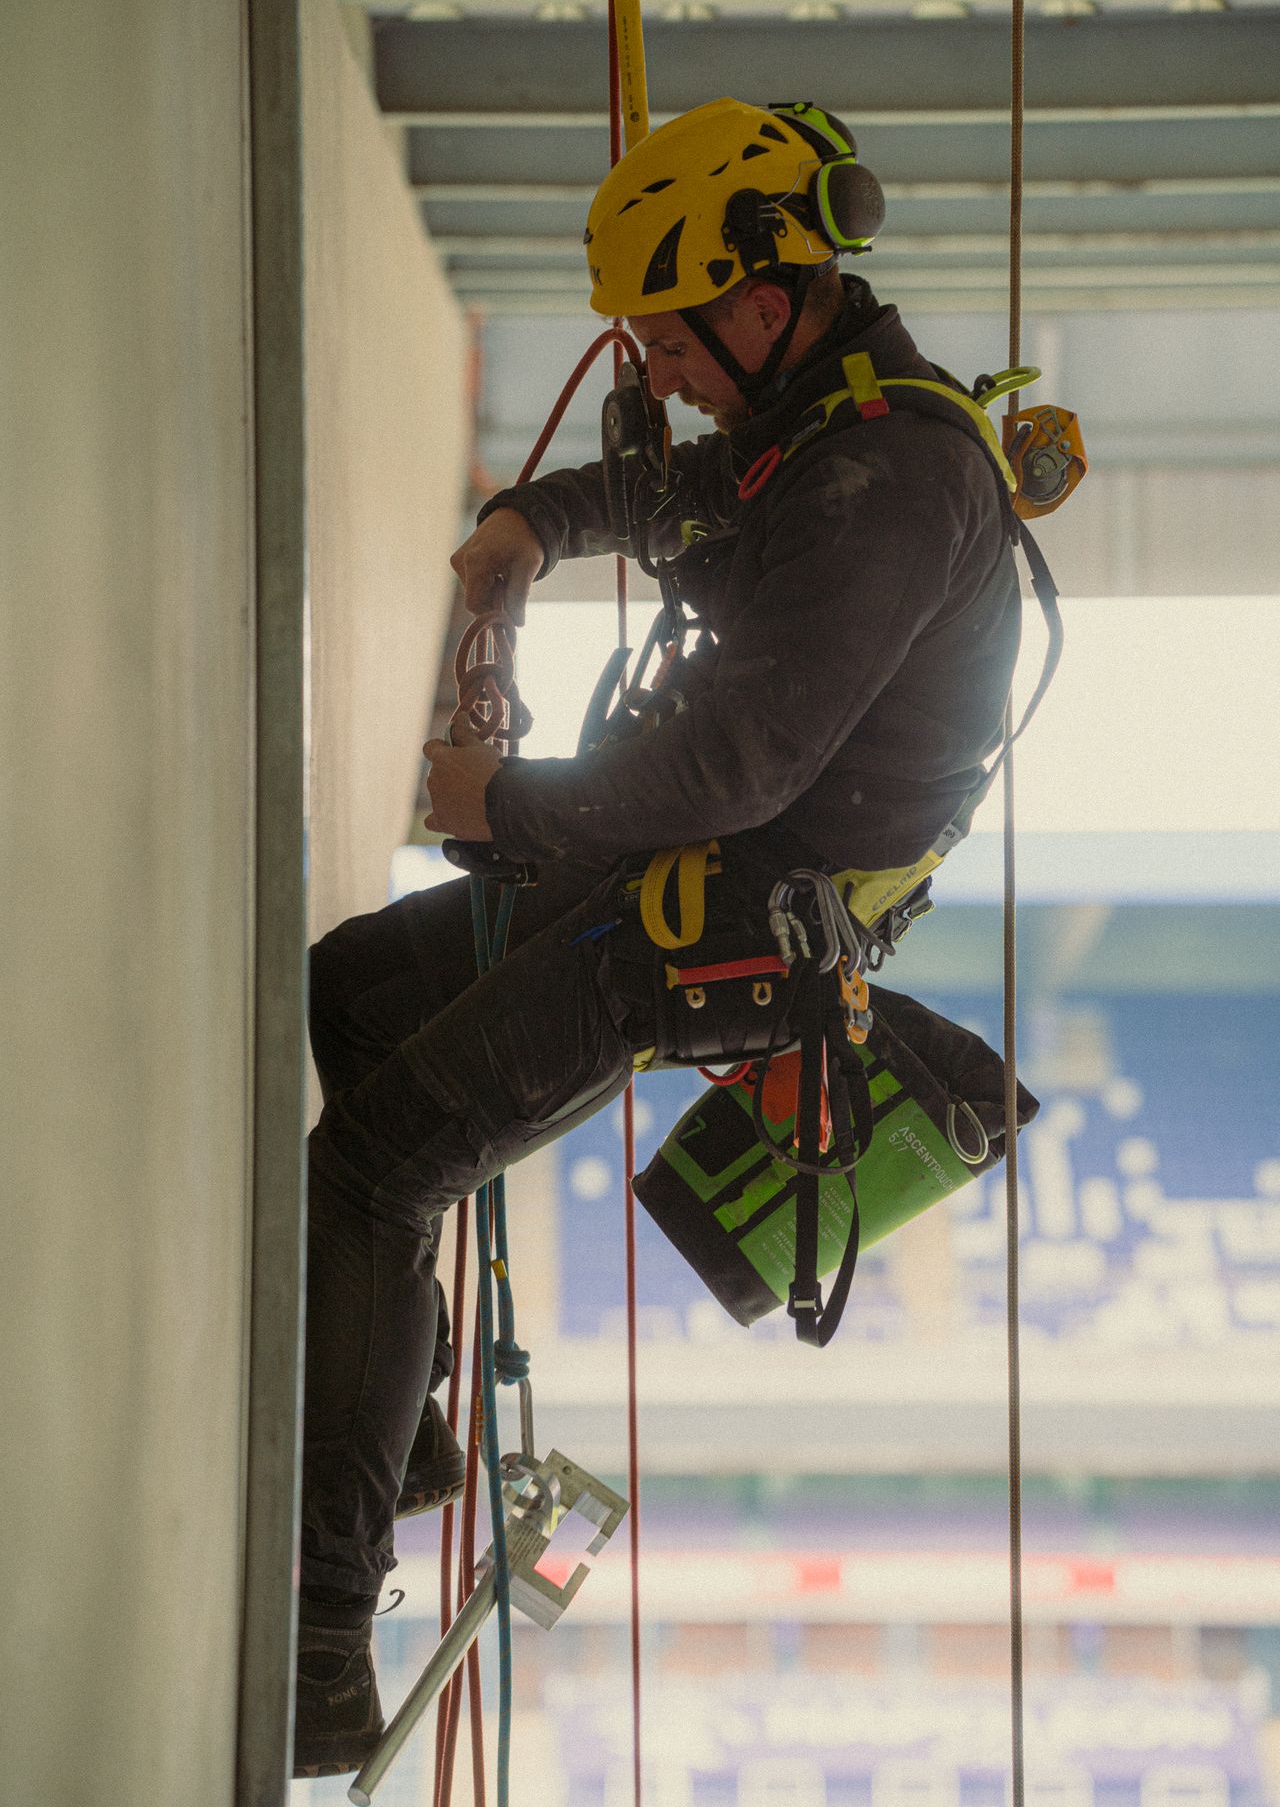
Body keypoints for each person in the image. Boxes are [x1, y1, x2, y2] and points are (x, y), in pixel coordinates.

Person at [292, 96, 1023, 1776]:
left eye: (675, 339)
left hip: (730, 922)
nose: (664, 369)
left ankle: (322, 1641)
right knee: (357, 989)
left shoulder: (894, 475)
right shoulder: (829, 425)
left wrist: (500, 799)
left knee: (379, 1164)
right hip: (694, 867)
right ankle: (396, 1433)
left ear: (767, 298)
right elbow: (703, 489)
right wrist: (533, 523)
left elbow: (736, 758)